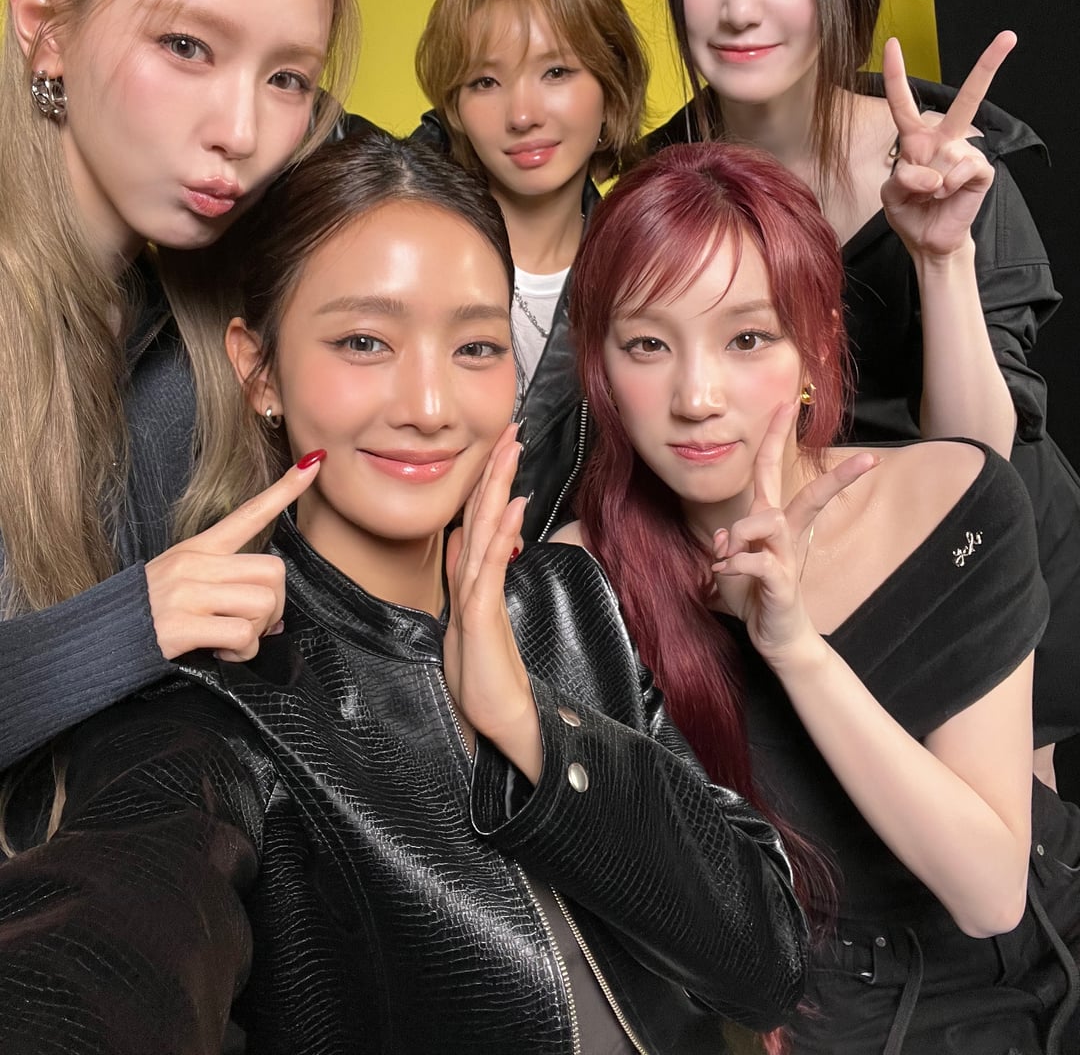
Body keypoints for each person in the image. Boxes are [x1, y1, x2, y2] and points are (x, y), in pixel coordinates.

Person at [0, 133, 808, 1055]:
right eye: (364, 342)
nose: (429, 406)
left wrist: (532, 728)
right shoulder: (219, 706)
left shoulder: (571, 601)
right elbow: (109, 934)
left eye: (475, 346)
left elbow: (767, 962)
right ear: (258, 370)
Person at [0, 0, 452, 778]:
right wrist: (133, 623)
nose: (242, 134)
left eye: (288, 77)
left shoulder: (199, 295)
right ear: (42, 25)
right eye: (185, 49)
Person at [555, 139, 1080, 1053]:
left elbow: (990, 889)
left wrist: (796, 648)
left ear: (817, 345)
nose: (697, 396)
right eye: (648, 344)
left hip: (1043, 944)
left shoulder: (954, 496)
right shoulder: (578, 584)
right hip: (820, 1012)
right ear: (599, 366)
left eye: (747, 338)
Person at [648, 0, 1080, 770]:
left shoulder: (950, 166)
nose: (740, 8)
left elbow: (982, 459)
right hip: (802, 581)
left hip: (978, 563)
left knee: (1010, 845)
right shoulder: (659, 189)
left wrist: (941, 254)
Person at [413, 0, 649, 539]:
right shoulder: (398, 239)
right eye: (485, 82)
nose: (522, 114)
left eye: (556, 72)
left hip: (560, 590)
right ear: (455, 107)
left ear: (610, 86)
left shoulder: (646, 275)